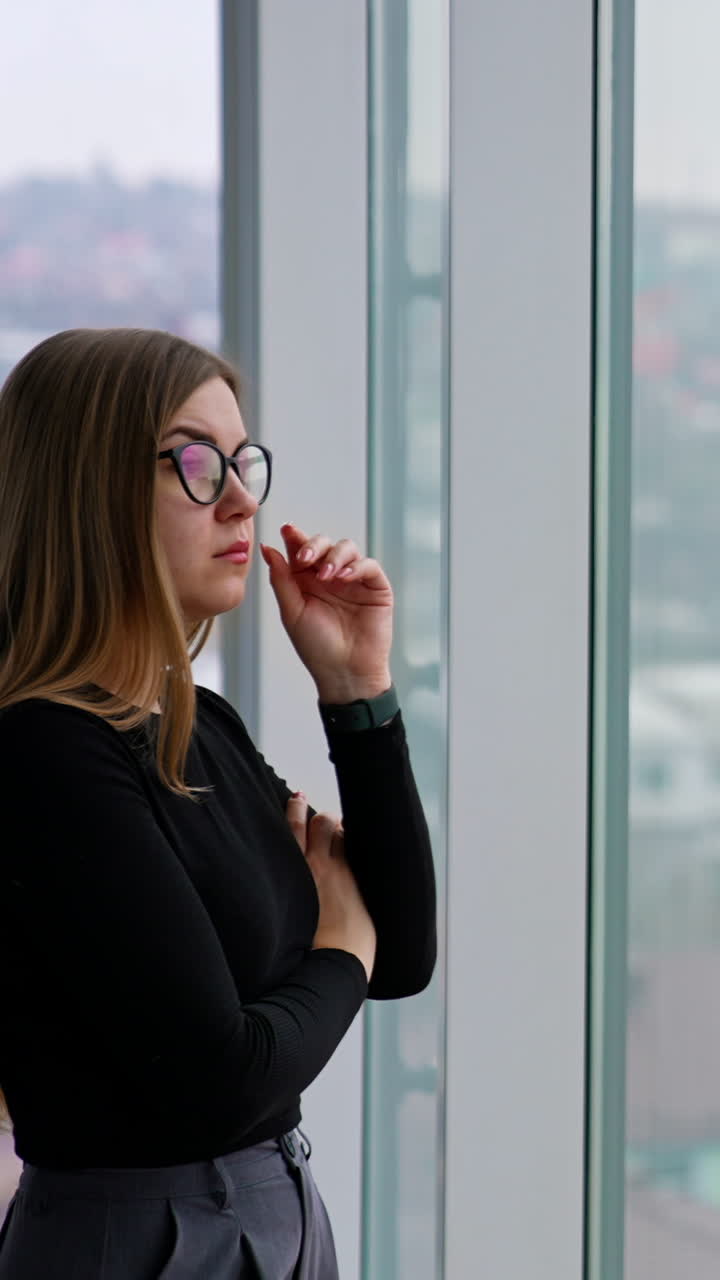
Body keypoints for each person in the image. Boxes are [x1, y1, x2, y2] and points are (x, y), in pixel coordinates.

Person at [0, 328, 436, 1279]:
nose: (242, 497)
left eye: (244, 461)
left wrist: (357, 692)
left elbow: (402, 953)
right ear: (91, 490)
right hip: (145, 1245)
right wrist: (340, 943)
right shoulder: (44, 751)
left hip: (276, 1218)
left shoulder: (198, 725)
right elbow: (221, 1076)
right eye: (196, 463)